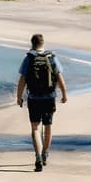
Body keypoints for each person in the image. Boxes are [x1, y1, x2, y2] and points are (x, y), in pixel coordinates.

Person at [16, 33, 68, 172]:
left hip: (33, 98)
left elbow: (22, 80)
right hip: (49, 97)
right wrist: (64, 94)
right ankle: (45, 154)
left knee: (35, 128)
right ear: (42, 43)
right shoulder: (51, 58)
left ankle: (38, 156)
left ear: (32, 43)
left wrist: (19, 97)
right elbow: (59, 78)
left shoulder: (29, 58)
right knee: (48, 126)